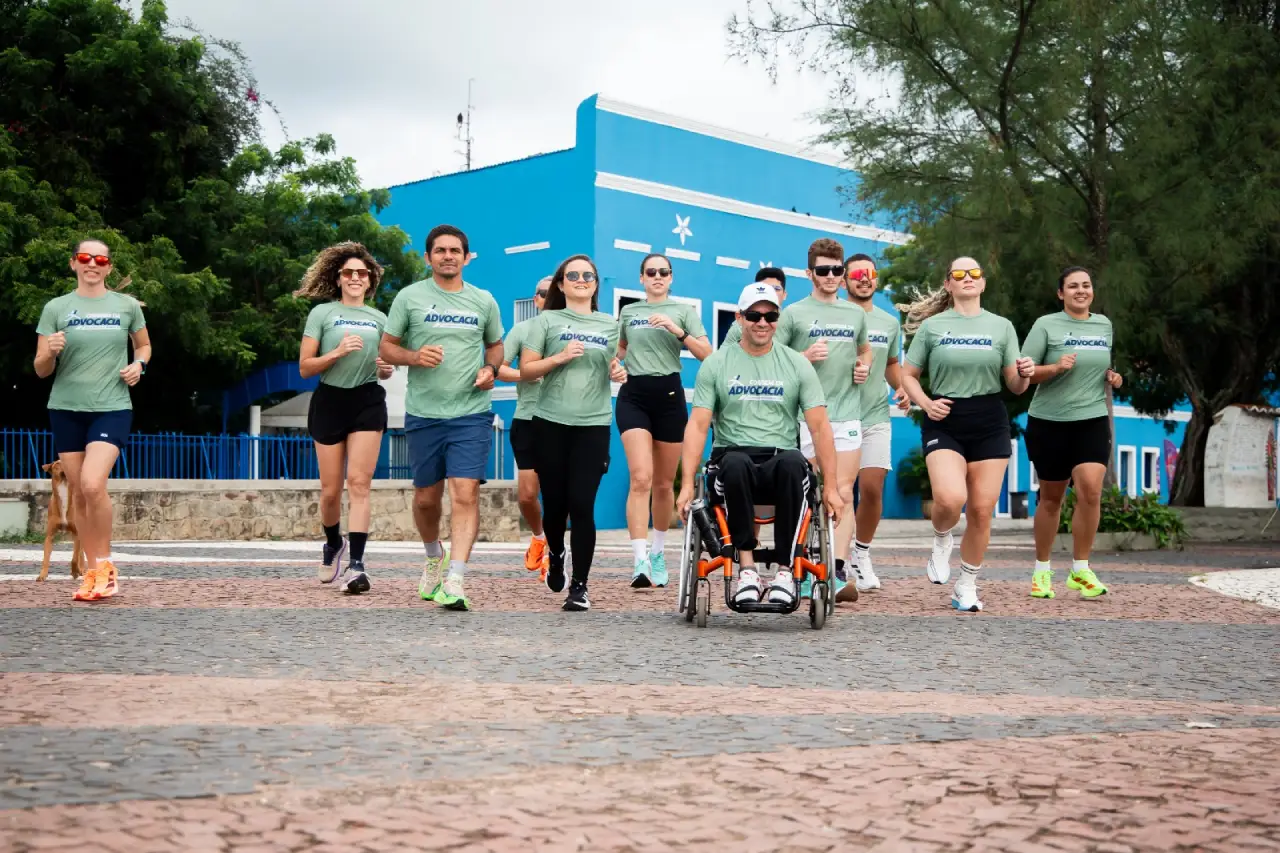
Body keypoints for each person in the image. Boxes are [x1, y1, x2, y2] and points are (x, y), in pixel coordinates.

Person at [676, 282, 843, 607]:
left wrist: (832, 488)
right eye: (754, 315)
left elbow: (820, 427)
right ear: (739, 318)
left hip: (781, 460)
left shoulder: (796, 363)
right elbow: (697, 425)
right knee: (735, 463)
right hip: (731, 461)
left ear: (777, 318)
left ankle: (784, 572)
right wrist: (685, 485)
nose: (762, 322)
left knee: (795, 463)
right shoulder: (717, 363)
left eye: (770, 315)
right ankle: (748, 571)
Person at [900, 257, 1035, 612]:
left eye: (974, 273)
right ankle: (942, 538)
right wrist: (926, 405)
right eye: (959, 274)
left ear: (983, 283)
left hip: (989, 418)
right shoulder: (933, 327)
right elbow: (908, 375)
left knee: (981, 510)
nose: (967, 278)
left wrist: (1025, 373)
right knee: (949, 498)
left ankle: (967, 584)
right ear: (948, 284)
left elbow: (1016, 386)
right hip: (945, 417)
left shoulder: (1002, 326)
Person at [380, 224, 504, 612]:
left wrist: (491, 370)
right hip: (423, 414)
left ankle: (456, 579)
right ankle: (434, 557)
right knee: (426, 500)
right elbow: (387, 347)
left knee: (465, 493)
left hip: (471, 413)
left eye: (455, 250)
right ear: (428, 257)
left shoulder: (483, 300)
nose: (448, 256)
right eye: (440, 250)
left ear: (466, 257)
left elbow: (496, 346)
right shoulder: (410, 297)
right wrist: (415, 357)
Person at [34, 238, 151, 601]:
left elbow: (144, 345)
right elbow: (40, 369)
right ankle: (91, 571)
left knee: (91, 483)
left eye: (100, 259)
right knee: (81, 498)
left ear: (108, 267)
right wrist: (49, 353)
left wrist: (139, 365)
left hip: (111, 405)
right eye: (85, 257)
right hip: (66, 407)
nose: (92, 264)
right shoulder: (56, 307)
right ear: (74, 263)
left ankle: (105, 566)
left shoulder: (127, 305)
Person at [519, 255, 627, 611]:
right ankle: (556, 550)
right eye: (573, 275)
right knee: (555, 506)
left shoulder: (610, 325)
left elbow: (614, 363)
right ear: (561, 284)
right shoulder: (545, 321)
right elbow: (527, 369)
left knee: (582, 504)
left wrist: (617, 372)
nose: (581, 279)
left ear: (596, 284)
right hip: (549, 422)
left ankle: (579, 586)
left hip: (593, 424)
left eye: (588, 275)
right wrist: (560, 358)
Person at [296, 242, 394, 595]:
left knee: (360, 483)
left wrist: (386, 369)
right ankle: (333, 543)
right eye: (349, 273)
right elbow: (306, 367)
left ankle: (357, 564)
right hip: (330, 400)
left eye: (362, 273)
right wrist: (335, 352)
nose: (355, 278)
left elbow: (385, 370)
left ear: (370, 281)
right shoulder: (322, 314)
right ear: (338, 278)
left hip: (367, 400)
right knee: (330, 491)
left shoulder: (380, 319)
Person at [776, 239, 871, 600]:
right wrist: (804, 355)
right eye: (823, 270)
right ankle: (802, 564)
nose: (831, 277)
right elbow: (773, 358)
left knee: (843, 492)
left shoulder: (855, 314)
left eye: (837, 270)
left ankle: (836, 568)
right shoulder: (794, 314)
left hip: (847, 414)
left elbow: (865, 351)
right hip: (805, 417)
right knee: (810, 494)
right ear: (809, 273)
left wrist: (864, 367)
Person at [1021, 266, 1123, 600]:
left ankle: (1081, 569)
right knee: (1052, 498)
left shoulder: (1103, 325)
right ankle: (1041, 570)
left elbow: (1100, 366)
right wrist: (1055, 368)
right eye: (1073, 286)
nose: (1081, 290)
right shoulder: (1045, 325)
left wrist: (1112, 377)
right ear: (1060, 293)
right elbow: (1025, 374)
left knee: (1091, 490)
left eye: (1086, 285)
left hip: (1092, 418)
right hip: (1048, 421)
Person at [616, 253, 712, 589]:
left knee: (662, 483)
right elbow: (619, 350)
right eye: (651, 272)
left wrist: (678, 331)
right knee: (640, 477)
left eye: (664, 272)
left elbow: (707, 354)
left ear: (671, 278)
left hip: (670, 395)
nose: (657, 276)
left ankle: (658, 553)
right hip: (634, 395)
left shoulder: (684, 311)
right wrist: (613, 363)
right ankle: (639, 559)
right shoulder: (629, 311)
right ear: (641, 278)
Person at [845, 253, 910, 593]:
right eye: (856, 273)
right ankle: (834, 558)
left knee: (871, 489)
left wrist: (902, 387)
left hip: (874, 416)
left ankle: (861, 552)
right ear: (845, 281)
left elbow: (892, 363)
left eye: (869, 273)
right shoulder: (835, 317)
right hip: (836, 418)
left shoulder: (889, 322)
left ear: (876, 279)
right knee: (837, 494)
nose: (864, 278)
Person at [498, 276, 551, 580]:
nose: (547, 296)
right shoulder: (523, 330)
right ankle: (539, 536)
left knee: (560, 493)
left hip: (563, 421)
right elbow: (498, 367)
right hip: (527, 419)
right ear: (536, 299)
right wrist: (525, 374)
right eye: (542, 292)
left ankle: (555, 551)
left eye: (552, 292)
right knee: (528, 495)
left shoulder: (570, 332)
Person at [722, 266, 787, 346]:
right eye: (765, 288)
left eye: (776, 289)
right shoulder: (742, 324)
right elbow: (724, 355)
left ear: (784, 294)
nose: (771, 292)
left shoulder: (791, 320)